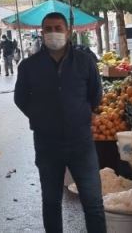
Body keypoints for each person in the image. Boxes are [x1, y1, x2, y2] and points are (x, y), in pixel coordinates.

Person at [14, 12, 106, 233]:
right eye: (48, 29)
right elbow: (20, 98)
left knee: (93, 202)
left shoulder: (84, 61)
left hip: (81, 143)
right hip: (47, 144)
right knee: (51, 202)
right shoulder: (29, 66)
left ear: (68, 31)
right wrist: (40, 118)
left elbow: (96, 93)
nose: (53, 33)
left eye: (58, 28)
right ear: (42, 32)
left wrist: (81, 115)